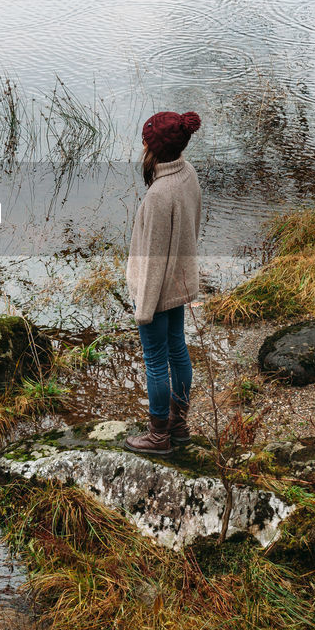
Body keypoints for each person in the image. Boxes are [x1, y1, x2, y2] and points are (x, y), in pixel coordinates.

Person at [124, 110, 203, 455]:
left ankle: (159, 436)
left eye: (145, 139)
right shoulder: (187, 173)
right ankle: (179, 425)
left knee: (156, 359)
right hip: (179, 283)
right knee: (177, 349)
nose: (141, 144)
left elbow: (153, 258)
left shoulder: (159, 196)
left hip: (156, 292)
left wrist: (144, 307)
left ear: (152, 147)